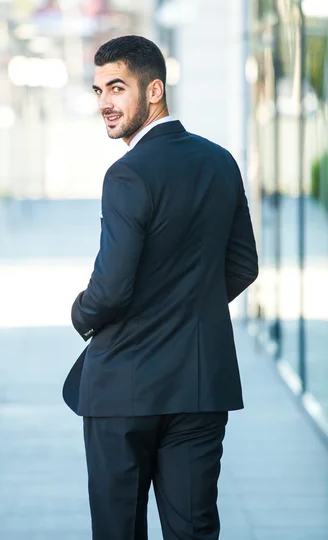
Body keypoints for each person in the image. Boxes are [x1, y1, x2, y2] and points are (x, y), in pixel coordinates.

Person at [63, 35, 258, 540]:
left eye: (116, 87)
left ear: (153, 91)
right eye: (98, 89)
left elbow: (110, 289)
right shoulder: (220, 162)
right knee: (194, 529)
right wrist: (188, 305)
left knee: (119, 529)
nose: (104, 102)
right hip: (199, 383)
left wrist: (80, 314)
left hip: (124, 386)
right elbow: (243, 266)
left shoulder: (127, 174)